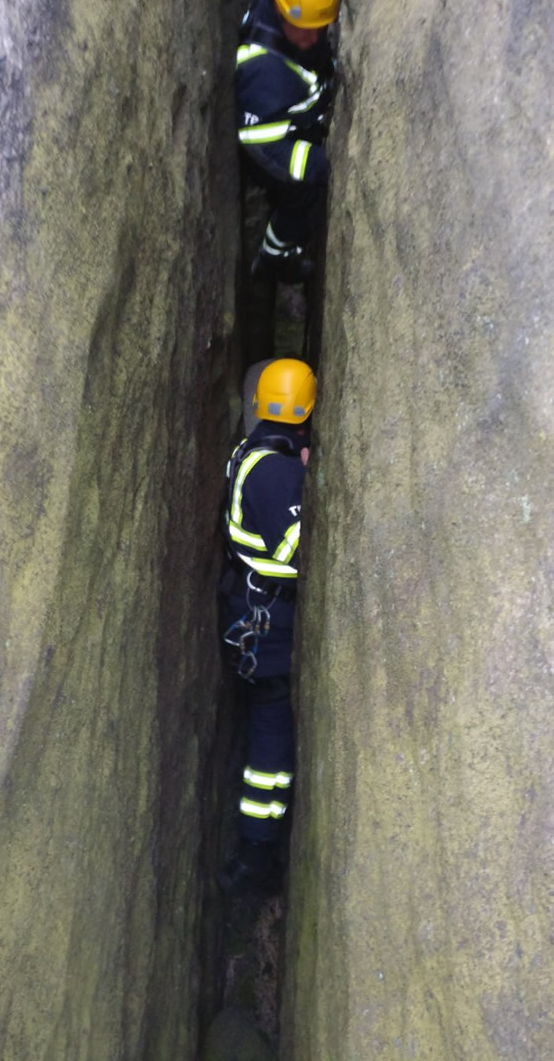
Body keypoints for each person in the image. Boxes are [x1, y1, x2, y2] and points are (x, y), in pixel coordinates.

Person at [217, 358, 317, 895]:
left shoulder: (255, 451)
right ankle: (257, 854)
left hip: (255, 616)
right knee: (271, 735)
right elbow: (296, 548)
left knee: (269, 729)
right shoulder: (278, 471)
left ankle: (258, 842)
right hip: (268, 624)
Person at [235, 0, 362, 283]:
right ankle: (274, 261)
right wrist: (317, 164)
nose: (314, 39)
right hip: (273, 143)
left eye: (319, 29)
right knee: (297, 198)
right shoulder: (262, 71)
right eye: (304, 32)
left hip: (293, 113)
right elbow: (258, 142)